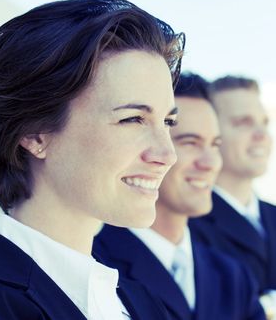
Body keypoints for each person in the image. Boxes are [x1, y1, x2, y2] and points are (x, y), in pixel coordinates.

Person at [0, 0, 185, 319]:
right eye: (132, 119)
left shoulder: (140, 302)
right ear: (35, 133)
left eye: (167, 122)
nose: (167, 154)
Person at [94, 73, 265, 320]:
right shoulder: (96, 264)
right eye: (190, 143)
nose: (210, 163)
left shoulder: (233, 276)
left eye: (215, 145)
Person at [189, 76, 276, 317]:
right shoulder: (187, 223)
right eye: (243, 122)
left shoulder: (273, 215)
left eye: (264, 122)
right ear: (210, 132)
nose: (262, 134)